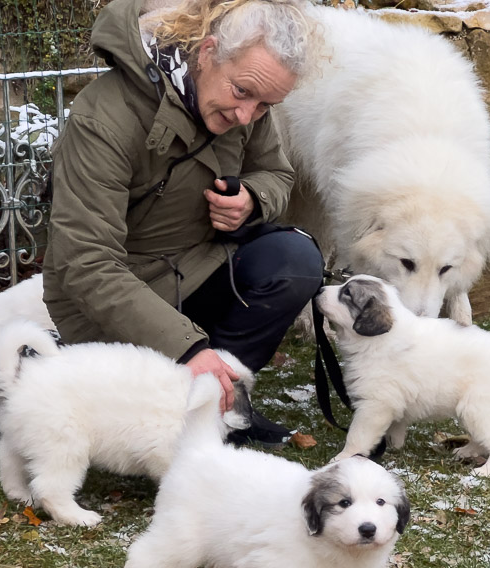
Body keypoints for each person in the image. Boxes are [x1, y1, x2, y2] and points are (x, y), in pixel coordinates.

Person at [41, 0, 323, 446]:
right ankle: (152, 399)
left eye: (267, 104)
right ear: (207, 52)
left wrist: (252, 200)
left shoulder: (248, 103)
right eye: (242, 92)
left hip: (195, 266)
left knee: (294, 260)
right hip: (109, 295)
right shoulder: (104, 116)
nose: (246, 116)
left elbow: (277, 173)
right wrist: (188, 348)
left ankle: (219, 408)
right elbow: (87, 264)